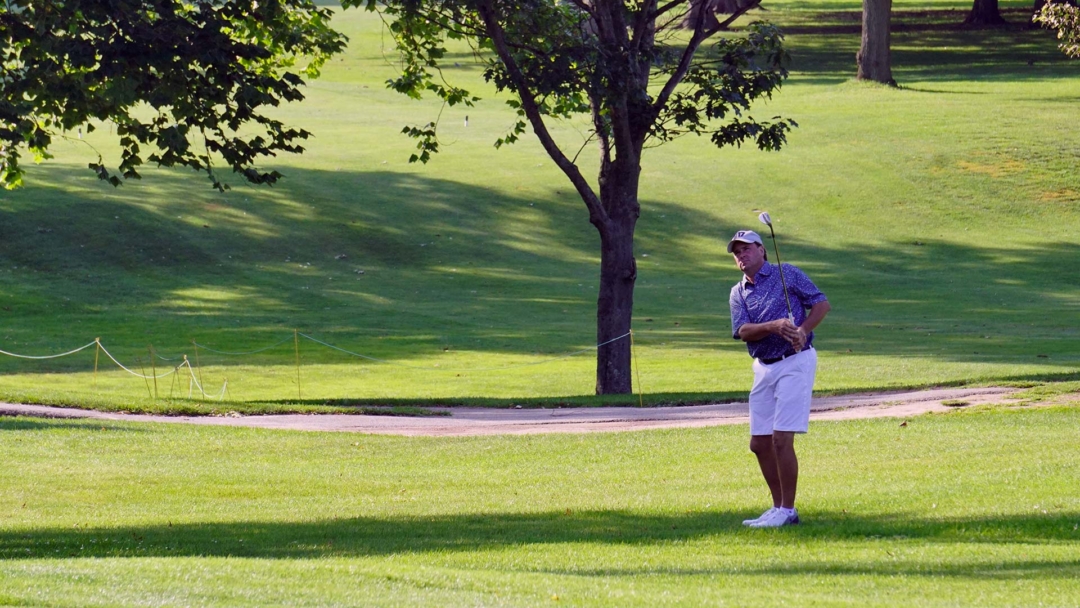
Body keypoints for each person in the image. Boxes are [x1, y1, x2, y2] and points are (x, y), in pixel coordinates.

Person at [727, 229, 830, 528]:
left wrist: (802, 329)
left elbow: (821, 304)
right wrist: (773, 326)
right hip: (763, 366)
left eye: (746, 249)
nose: (741, 255)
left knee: (781, 439)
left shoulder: (788, 274)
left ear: (762, 250)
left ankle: (788, 509)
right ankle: (777, 507)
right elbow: (742, 331)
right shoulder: (738, 292)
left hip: (795, 361)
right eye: (736, 252)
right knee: (759, 444)